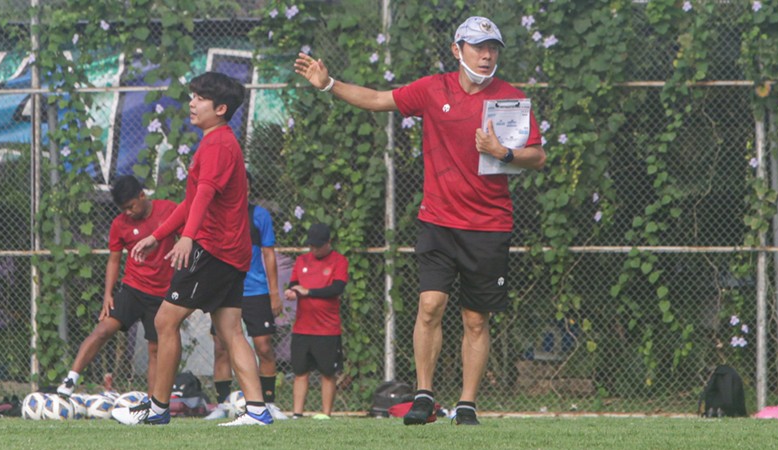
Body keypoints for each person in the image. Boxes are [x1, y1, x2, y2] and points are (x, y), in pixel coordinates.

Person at [294, 16, 546, 425]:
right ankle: (425, 396)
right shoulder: (433, 89)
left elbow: (537, 156)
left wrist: (503, 152)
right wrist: (328, 84)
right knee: (429, 306)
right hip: (438, 221)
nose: (487, 55)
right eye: (479, 47)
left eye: (493, 48)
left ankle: (466, 404)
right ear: (456, 50)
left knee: (475, 318)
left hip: (488, 225)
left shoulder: (510, 100)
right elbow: (378, 99)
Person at [113, 71, 272, 426]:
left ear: (221, 108)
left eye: (200, 98)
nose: (192, 103)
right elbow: (189, 202)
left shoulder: (217, 145)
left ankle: (157, 409)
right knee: (231, 330)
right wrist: (159, 235)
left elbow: (203, 196)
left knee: (164, 320)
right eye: (192, 96)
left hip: (213, 251)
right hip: (232, 253)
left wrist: (189, 237)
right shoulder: (218, 142)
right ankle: (259, 411)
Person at [56, 175, 177, 398]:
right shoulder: (120, 224)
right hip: (132, 289)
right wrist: (108, 295)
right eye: (123, 209)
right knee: (103, 329)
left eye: (130, 207)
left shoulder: (169, 211)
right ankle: (69, 381)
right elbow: (114, 260)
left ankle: (152, 404)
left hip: (162, 295)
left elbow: (189, 234)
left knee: (155, 349)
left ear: (142, 195)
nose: (128, 213)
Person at [205, 171, 288, 420]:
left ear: (249, 189)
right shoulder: (217, 215)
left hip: (256, 291)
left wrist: (275, 293)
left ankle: (267, 404)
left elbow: (269, 255)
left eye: (245, 186)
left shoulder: (259, 215)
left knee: (263, 347)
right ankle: (222, 405)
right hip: (226, 289)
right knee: (221, 347)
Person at [283, 223, 349, 419]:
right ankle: (297, 413)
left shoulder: (339, 261)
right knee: (300, 371)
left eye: (318, 246)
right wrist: (292, 291)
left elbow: (337, 288)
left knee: (328, 372)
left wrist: (309, 292)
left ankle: (325, 414)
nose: (314, 250)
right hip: (302, 327)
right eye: (311, 246)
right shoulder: (302, 260)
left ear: (328, 243)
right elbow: (295, 283)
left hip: (327, 329)